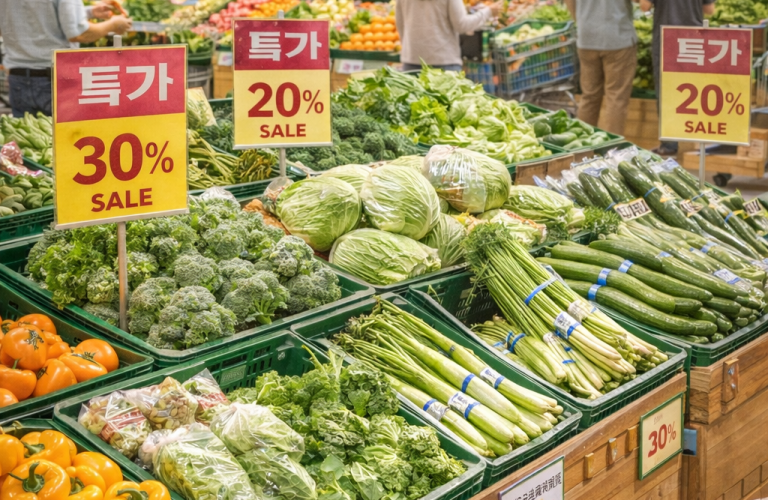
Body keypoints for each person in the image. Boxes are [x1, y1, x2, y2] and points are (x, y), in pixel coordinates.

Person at [0, 0, 132, 117]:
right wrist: (114, 24)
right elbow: (80, 33)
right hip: (55, 80)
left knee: (23, 140)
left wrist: (89, 12)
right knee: (63, 141)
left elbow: (26, 15)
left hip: (18, 79)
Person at [641, 0, 716, 155]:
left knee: (666, 90)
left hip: (666, 37)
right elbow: (710, 9)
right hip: (694, 39)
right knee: (694, 88)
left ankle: (670, 144)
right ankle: (693, 141)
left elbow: (644, 6)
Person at [572, 0, 637, 136]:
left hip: (587, 38)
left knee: (589, 96)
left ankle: (583, 148)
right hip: (618, 38)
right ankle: (611, 149)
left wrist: (581, 21)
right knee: (616, 97)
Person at [396, 0, 503, 72]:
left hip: (411, 62)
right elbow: (462, 25)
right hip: (444, 63)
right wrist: (488, 12)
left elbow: (400, 24)